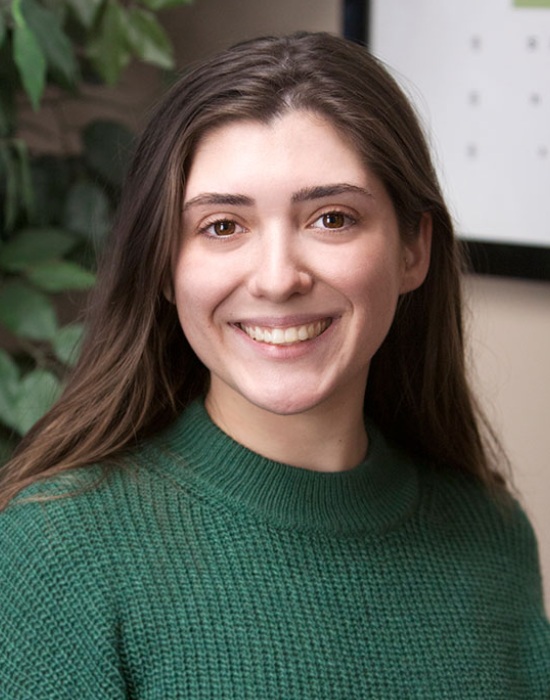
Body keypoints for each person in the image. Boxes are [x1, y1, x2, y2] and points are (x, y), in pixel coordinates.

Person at [0, 32, 548, 698]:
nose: (278, 278)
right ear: (166, 269)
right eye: (222, 226)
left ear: (413, 249)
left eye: (332, 218)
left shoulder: (492, 537)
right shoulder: (56, 550)